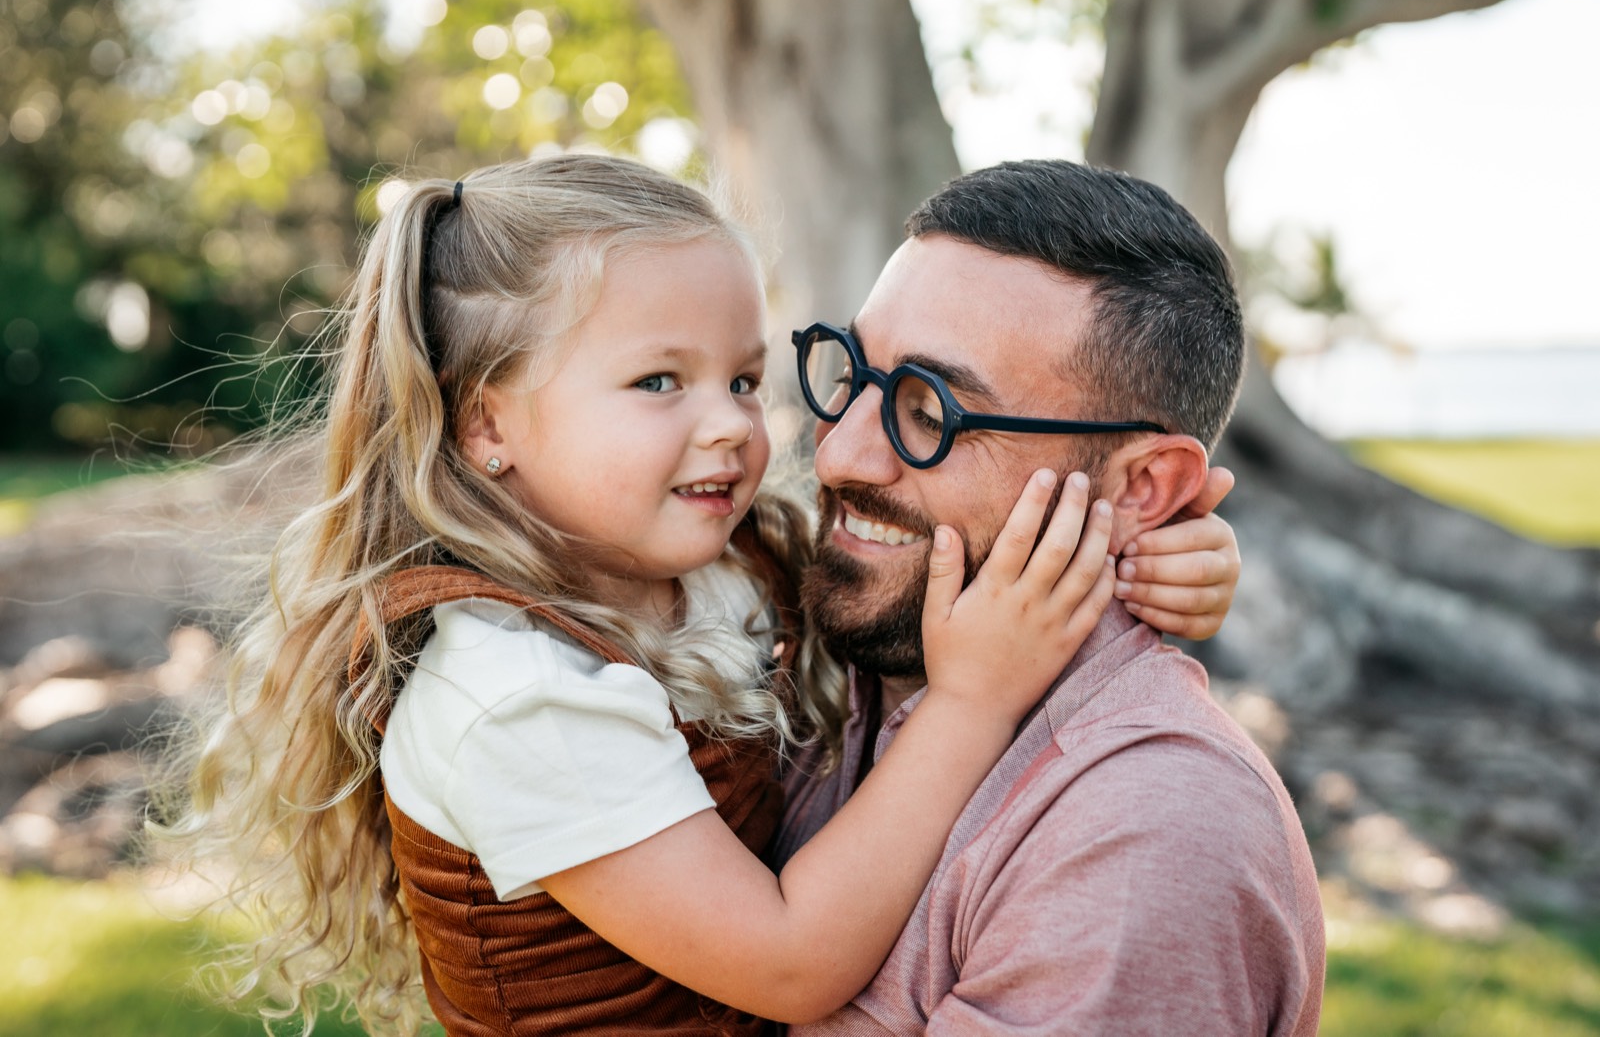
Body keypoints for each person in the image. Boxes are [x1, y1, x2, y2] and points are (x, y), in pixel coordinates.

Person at [160, 154, 1241, 1036]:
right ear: (485, 423)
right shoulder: (513, 689)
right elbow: (787, 961)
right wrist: (972, 701)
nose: (827, 445)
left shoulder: (702, 573)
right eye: (657, 382)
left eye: (742, 377)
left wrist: (1151, 554)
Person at [775, 159, 1325, 1035]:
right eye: (853, 376)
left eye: (931, 413)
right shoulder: (823, 656)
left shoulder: (1146, 835)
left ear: (1143, 488)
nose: (840, 456)